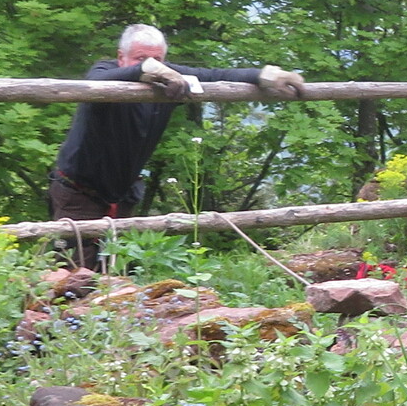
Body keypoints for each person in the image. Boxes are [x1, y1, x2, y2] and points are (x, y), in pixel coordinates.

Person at [47, 24, 308, 261]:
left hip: (122, 193)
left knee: (112, 269)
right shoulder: (104, 72)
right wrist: (143, 71)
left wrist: (264, 76)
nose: (152, 64)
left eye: (157, 59)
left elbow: (215, 75)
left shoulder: (170, 78)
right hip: (78, 193)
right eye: (140, 58)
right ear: (121, 57)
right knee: (72, 272)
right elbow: (93, 84)